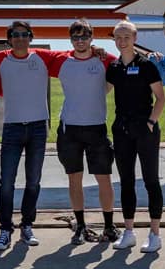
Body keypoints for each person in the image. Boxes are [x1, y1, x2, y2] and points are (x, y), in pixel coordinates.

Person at [0, 21, 68, 250]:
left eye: (24, 34)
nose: (20, 38)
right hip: (12, 128)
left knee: (33, 181)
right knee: (6, 182)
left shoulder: (42, 58)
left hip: (37, 128)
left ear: (31, 37)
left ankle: (26, 225)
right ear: (9, 38)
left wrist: (99, 51)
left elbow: (72, 54)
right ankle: (5, 229)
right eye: (15, 35)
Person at [50, 19, 120, 246]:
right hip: (70, 129)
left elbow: (128, 61)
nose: (80, 41)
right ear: (70, 39)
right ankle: (80, 225)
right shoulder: (62, 60)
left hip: (96, 128)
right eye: (76, 37)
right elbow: (23, 53)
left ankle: (109, 226)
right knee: (75, 179)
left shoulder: (105, 59)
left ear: (92, 37)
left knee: (104, 179)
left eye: (85, 37)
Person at [105, 20, 165, 253]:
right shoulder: (113, 67)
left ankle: (155, 234)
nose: (122, 41)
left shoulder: (147, 65)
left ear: (135, 38)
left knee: (151, 181)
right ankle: (129, 232)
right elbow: (102, 90)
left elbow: (161, 98)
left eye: (126, 37)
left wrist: (151, 122)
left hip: (145, 129)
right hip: (122, 130)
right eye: (118, 37)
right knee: (126, 181)